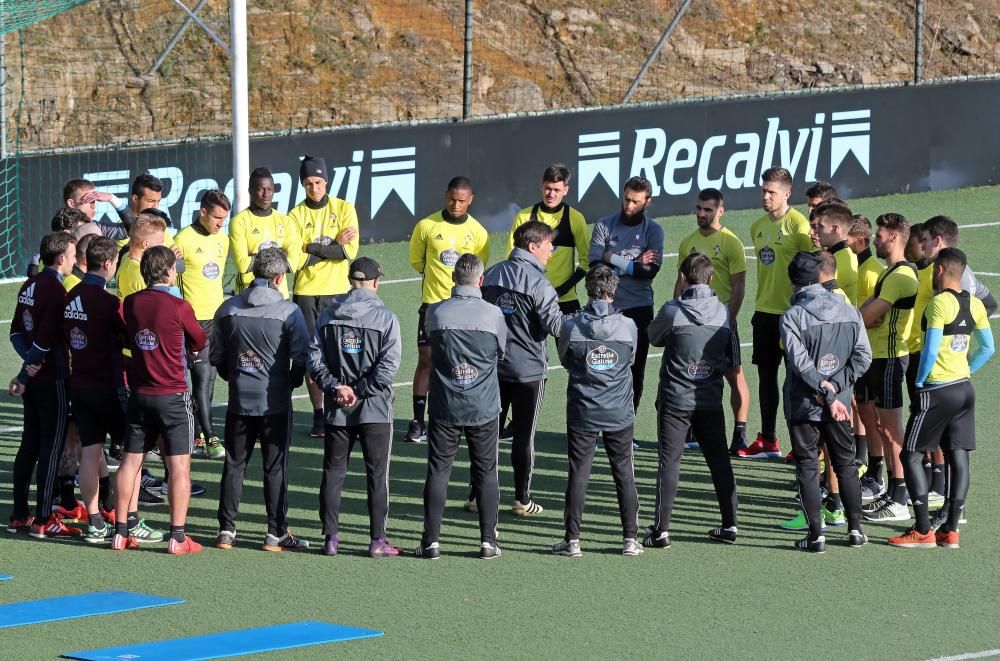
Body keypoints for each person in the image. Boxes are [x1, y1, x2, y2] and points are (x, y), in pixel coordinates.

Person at [889, 248, 994, 549]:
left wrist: (921, 380)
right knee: (958, 456)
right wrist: (965, 370)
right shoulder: (975, 304)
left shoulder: (937, 304)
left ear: (938, 271)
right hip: (964, 389)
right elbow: (988, 349)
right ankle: (950, 530)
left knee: (909, 454)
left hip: (937, 390)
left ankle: (922, 530)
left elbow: (931, 350)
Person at [212, 247, 310, 552]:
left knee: (234, 464)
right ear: (279, 277)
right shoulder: (289, 312)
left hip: (239, 400)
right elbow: (302, 356)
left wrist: (236, 378)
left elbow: (216, 356)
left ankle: (226, 531)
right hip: (276, 403)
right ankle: (275, 533)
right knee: (275, 467)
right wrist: (291, 382)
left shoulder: (228, 309)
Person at [114, 245, 206, 554]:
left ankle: (120, 531)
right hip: (172, 396)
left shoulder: (131, 303)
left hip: (139, 393)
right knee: (179, 467)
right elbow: (199, 339)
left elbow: (126, 336)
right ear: (168, 272)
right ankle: (177, 536)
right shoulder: (179, 306)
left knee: (129, 462)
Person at [415, 254, 507, 560]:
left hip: (444, 405)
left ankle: (431, 542)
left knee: (438, 472)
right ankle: (488, 541)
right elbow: (501, 352)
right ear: (480, 281)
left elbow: (430, 350)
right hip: (482, 405)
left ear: (454, 278)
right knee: (486, 471)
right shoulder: (493, 315)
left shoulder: (436, 313)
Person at [645, 253, 739, 547]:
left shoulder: (673, 311)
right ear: (710, 278)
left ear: (683, 278)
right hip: (709, 400)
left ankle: (661, 531)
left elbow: (653, 337)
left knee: (669, 463)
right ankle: (730, 525)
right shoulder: (724, 314)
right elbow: (731, 356)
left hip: (675, 400)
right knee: (720, 462)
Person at [779, 252, 872, 553]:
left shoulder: (792, 317)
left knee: (807, 467)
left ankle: (816, 534)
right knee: (845, 464)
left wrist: (825, 391)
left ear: (793, 282)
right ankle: (855, 530)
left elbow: (800, 364)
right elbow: (863, 357)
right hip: (841, 407)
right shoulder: (850, 312)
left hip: (804, 405)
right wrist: (836, 388)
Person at [309, 257, 402, 557]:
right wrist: (359, 391)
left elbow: (314, 359)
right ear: (376, 282)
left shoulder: (327, 315)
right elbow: (388, 368)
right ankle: (377, 541)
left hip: (337, 408)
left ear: (351, 280)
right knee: (377, 475)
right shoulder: (386, 318)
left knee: (333, 472)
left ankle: (331, 538)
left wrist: (336, 388)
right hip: (374, 409)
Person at [553, 266, 642, 558]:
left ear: (588, 291)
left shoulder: (571, 325)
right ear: (613, 292)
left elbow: (566, 359)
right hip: (618, 410)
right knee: (624, 473)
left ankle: (572, 540)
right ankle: (630, 539)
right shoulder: (628, 326)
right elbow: (629, 360)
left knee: (578, 473)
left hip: (583, 409)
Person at [482, 220, 563, 516]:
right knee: (524, 436)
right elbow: (556, 326)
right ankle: (522, 499)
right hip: (529, 372)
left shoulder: (490, 274)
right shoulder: (540, 284)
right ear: (533, 247)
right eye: (547, 245)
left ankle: (477, 495)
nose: (551, 250)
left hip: (493, 370)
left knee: (487, 433)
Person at [6, 232, 80, 538]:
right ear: (61, 258)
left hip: (35, 377)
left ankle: (19, 513)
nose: (76, 260)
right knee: (51, 447)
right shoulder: (55, 290)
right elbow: (46, 339)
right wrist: (30, 369)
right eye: (74, 255)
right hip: (53, 379)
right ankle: (43, 518)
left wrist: (27, 365)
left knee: (29, 444)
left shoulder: (29, 284)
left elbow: (15, 333)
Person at [406, 176, 490, 443]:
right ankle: (418, 422)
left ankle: (452, 419)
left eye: (461, 200)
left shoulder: (478, 232)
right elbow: (417, 262)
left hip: (464, 309)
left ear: (470, 200)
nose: (455, 204)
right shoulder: (427, 225)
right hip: (432, 306)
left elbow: (478, 272)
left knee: (459, 365)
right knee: (426, 361)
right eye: (452, 198)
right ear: (445, 195)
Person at [739, 167, 814, 459]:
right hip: (764, 312)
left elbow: (813, 270)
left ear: (787, 193)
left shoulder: (799, 226)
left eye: (771, 192)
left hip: (794, 314)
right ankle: (769, 440)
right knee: (766, 378)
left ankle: (802, 445)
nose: (766, 196)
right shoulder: (757, 227)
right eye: (764, 191)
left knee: (796, 382)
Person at [289, 155, 360, 438]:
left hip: (337, 291)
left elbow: (347, 252)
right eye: (308, 183)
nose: (314, 187)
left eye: (318, 182)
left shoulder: (344, 208)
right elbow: (296, 261)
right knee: (310, 357)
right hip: (306, 292)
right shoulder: (295, 215)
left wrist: (311, 247)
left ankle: (340, 408)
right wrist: (332, 243)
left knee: (340, 353)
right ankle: (319, 414)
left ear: (326, 182)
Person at [674, 188, 750, 453]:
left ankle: (739, 433)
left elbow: (738, 285)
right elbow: (680, 283)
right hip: (694, 322)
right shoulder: (687, 242)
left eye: (708, 209)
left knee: (734, 375)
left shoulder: (731, 242)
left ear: (720, 211)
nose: (702, 214)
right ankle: (692, 429)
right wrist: (677, 312)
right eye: (699, 209)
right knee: (692, 372)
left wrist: (729, 320)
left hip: (722, 321)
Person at [64, 237, 128, 543]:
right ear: (108, 263)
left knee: (89, 453)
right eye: (115, 262)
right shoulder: (108, 302)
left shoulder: (72, 295)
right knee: (132, 452)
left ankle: (94, 520)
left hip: (80, 384)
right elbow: (126, 338)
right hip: (107, 386)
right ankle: (128, 519)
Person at [857, 213, 918, 523]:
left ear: (894, 237)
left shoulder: (901, 277)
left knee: (893, 431)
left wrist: (866, 315)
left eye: (879, 235)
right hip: (878, 357)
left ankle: (900, 497)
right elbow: (865, 311)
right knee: (883, 427)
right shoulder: (889, 273)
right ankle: (892, 491)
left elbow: (867, 316)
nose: (875, 240)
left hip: (892, 358)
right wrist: (866, 314)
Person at [588, 176, 663, 419]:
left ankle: (626, 423)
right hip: (607, 309)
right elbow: (596, 272)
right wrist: (632, 264)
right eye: (627, 199)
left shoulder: (653, 230)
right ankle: (599, 424)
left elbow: (648, 272)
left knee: (635, 369)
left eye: (636, 202)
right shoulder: (604, 225)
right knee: (601, 367)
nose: (629, 206)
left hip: (639, 308)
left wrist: (613, 259)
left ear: (648, 202)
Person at [174, 189, 231, 459]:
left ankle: (196, 435)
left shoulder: (223, 240)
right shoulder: (183, 240)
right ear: (203, 213)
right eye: (217, 217)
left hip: (216, 320)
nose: (221, 223)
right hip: (193, 321)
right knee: (201, 379)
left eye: (224, 218)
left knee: (208, 384)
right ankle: (210, 437)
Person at [507, 164, 590, 314]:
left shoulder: (575, 218)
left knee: (572, 338)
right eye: (547, 188)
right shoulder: (523, 216)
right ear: (541, 185)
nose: (551, 194)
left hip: (565, 299)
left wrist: (561, 290)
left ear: (566, 190)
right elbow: (512, 259)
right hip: (530, 298)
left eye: (556, 190)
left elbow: (586, 261)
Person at [849, 215, 885, 483]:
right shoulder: (856, 266)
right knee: (862, 409)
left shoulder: (872, 270)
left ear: (860, 240)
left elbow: (879, 316)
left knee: (874, 416)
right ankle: (868, 465)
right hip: (860, 350)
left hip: (872, 352)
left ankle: (878, 471)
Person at [229, 167, 302, 300]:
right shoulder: (238, 222)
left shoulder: (285, 221)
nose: (266, 194)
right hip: (249, 296)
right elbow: (243, 264)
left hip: (280, 296)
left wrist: (254, 257)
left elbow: (292, 264)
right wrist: (279, 255)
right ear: (250, 190)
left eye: (269, 189)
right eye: (260, 189)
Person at [810, 202, 858, 306]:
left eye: (821, 226)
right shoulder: (840, 255)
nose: (814, 231)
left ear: (835, 229)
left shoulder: (842, 259)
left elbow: (820, 294)